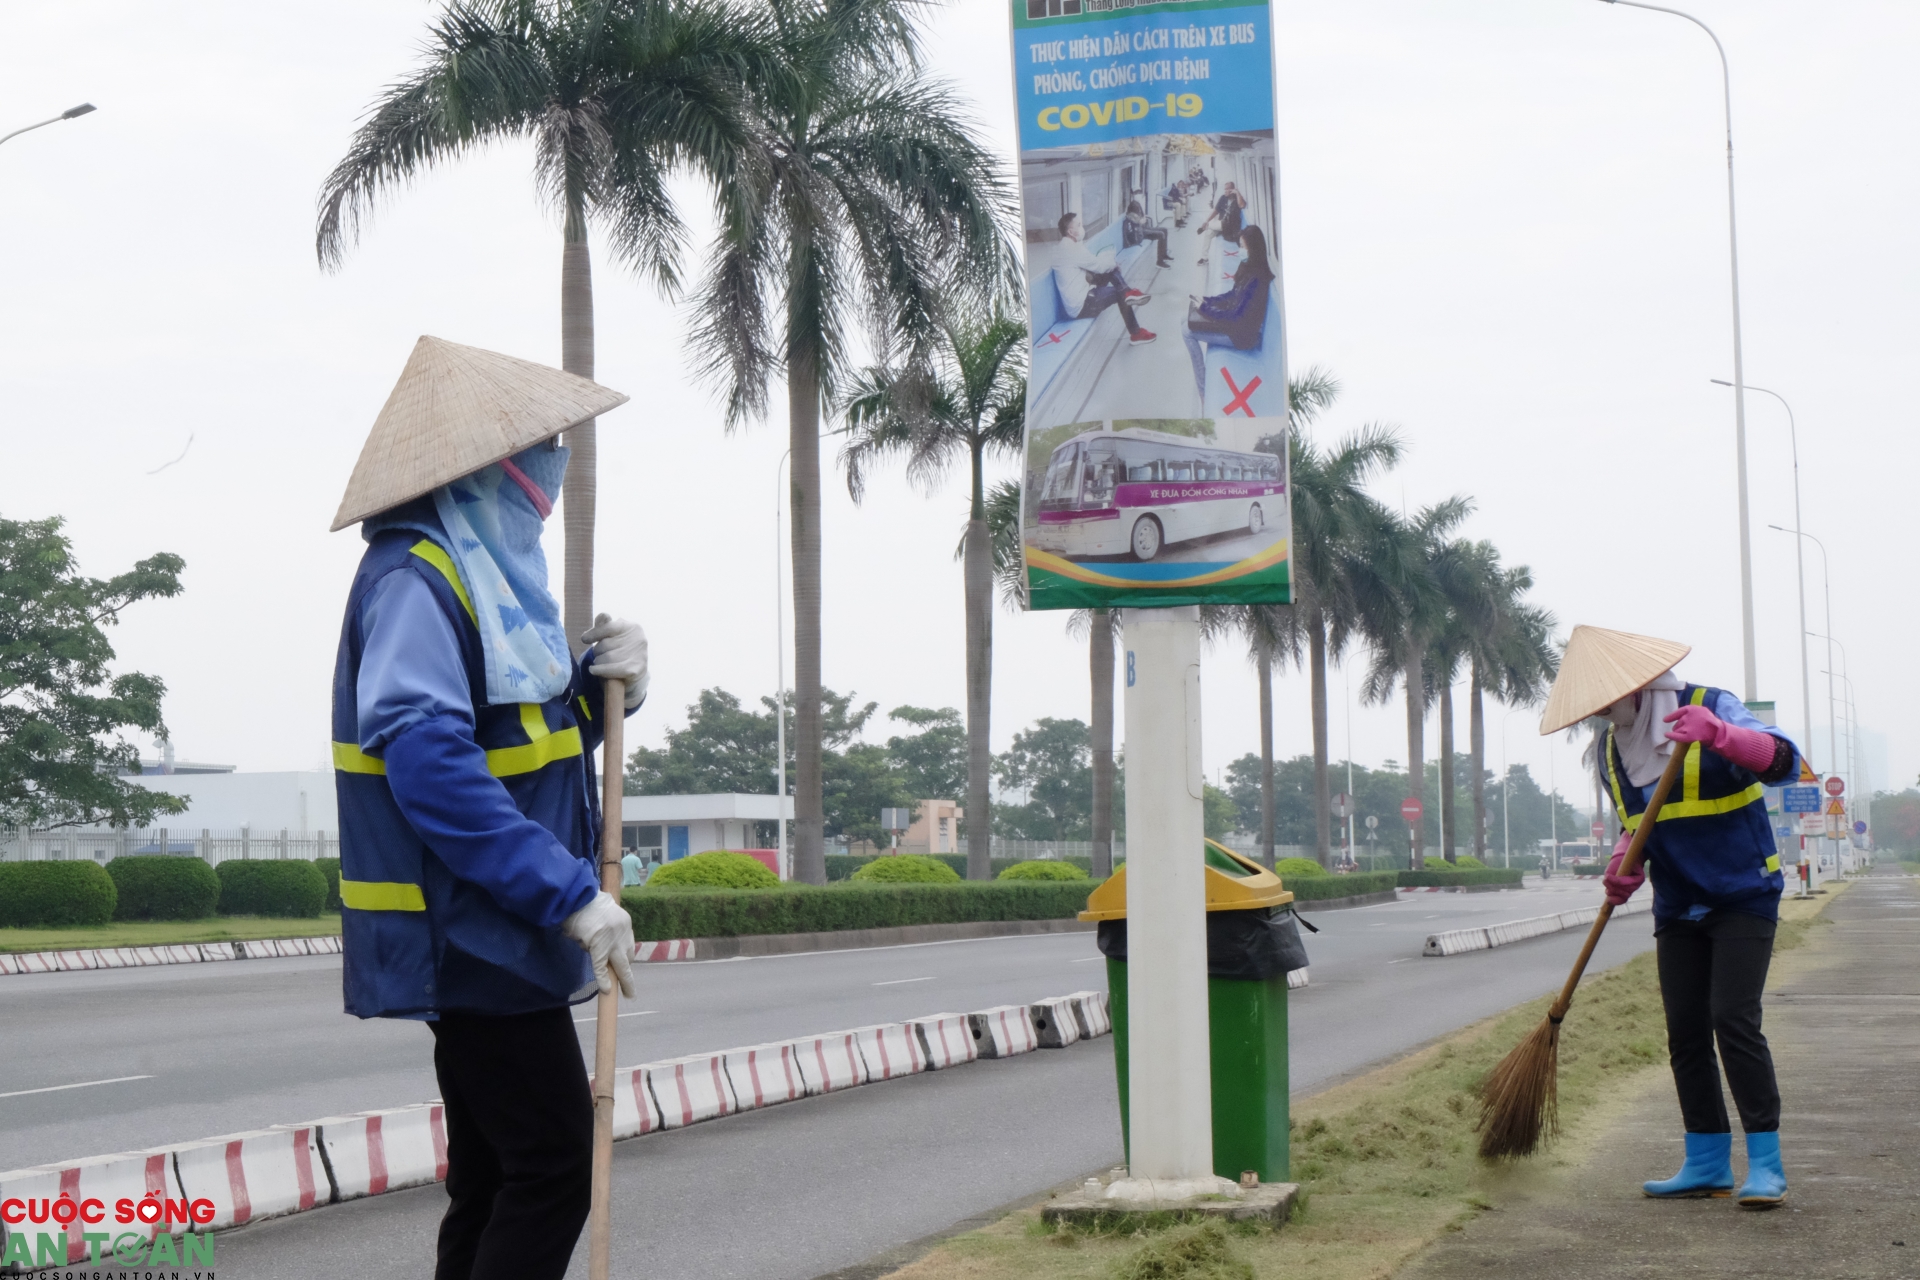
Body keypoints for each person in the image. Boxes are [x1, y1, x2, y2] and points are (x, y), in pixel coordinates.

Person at [328, 336, 649, 1280]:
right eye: (541, 446)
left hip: (492, 929)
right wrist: (569, 894)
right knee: (552, 1167)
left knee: (494, 1175)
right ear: (486, 466)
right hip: (475, 936)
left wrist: (611, 689)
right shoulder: (418, 581)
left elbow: (523, 749)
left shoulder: (481, 577)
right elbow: (434, 772)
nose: (552, 465)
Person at [1538, 624, 1801, 1210]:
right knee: (1685, 1030)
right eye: (1594, 706)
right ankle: (1706, 1159)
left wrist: (1724, 737)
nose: (1604, 712)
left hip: (1743, 892)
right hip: (1678, 900)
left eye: (1607, 698)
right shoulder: (1612, 749)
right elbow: (1638, 823)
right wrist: (1620, 866)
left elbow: (1785, 762)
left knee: (1732, 1018)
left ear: (1636, 683)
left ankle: (1765, 1163)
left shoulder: (1710, 705)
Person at [1181, 224, 1274, 402]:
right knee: (1183, 319)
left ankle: (1204, 391)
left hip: (1241, 336)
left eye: (1242, 247)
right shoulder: (1248, 267)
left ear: (1253, 248)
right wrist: (1208, 300)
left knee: (1187, 331)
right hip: (1236, 326)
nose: (1240, 250)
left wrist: (1206, 310)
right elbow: (1232, 295)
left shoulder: (1257, 279)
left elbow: (1235, 317)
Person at [1054, 212, 1156, 346]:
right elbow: (1098, 266)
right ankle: (1136, 333)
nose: (1082, 227)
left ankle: (1128, 293)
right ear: (1071, 232)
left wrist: (1110, 266)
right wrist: (1112, 264)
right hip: (1081, 306)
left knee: (1110, 269)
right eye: (1079, 225)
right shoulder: (1070, 249)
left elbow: (1095, 265)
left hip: (1085, 293)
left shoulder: (1068, 246)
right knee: (1120, 292)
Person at [1195, 181, 1246, 264]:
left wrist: (1237, 193)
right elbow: (1216, 211)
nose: (1225, 191)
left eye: (1227, 189)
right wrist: (1207, 220)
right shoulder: (1223, 198)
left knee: (1210, 226)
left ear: (1232, 189)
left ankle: (1205, 226)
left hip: (1231, 227)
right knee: (1208, 234)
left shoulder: (1237, 198)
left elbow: (1242, 205)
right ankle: (1204, 258)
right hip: (1222, 225)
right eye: (1224, 189)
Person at [1121, 199, 1173, 268]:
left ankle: (1164, 255)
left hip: (1144, 229)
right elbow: (1136, 226)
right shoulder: (1130, 217)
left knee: (1164, 230)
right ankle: (1159, 262)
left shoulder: (1136, 214)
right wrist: (1140, 221)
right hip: (1141, 233)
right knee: (1161, 234)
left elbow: (1143, 218)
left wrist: (1142, 220)